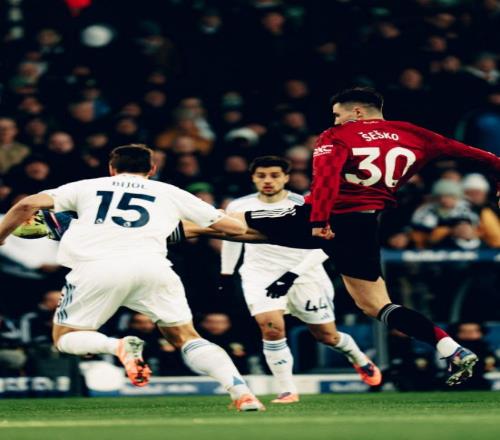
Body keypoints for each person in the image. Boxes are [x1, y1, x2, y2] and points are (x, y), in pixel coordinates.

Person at [216, 88, 499, 386]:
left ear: (357, 112)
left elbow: (325, 181)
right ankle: (451, 348)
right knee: (377, 305)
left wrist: (319, 220)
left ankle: (178, 221)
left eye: (338, 114)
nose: (335, 120)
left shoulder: (337, 135)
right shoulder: (414, 133)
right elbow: (476, 154)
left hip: (329, 215)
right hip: (365, 225)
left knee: (226, 221)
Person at [0, 144, 264, 411]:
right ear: (152, 169)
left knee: (65, 338)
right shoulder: (169, 192)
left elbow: (27, 204)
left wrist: (1, 236)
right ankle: (242, 393)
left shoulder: (86, 186)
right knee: (187, 337)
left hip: (97, 268)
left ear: (111, 168)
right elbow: (233, 229)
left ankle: (118, 346)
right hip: (153, 268)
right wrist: (235, 221)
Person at [221, 156, 381, 403]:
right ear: (253, 178)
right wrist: (226, 272)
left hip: (305, 274)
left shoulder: (304, 203)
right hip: (260, 274)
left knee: (327, 336)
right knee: (271, 328)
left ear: (286, 177)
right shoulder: (239, 206)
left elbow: (326, 245)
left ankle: (358, 357)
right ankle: (287, 389)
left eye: (275, 175)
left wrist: (291, 275)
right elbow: (232, 237)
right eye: (261, 176)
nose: (268, 181)